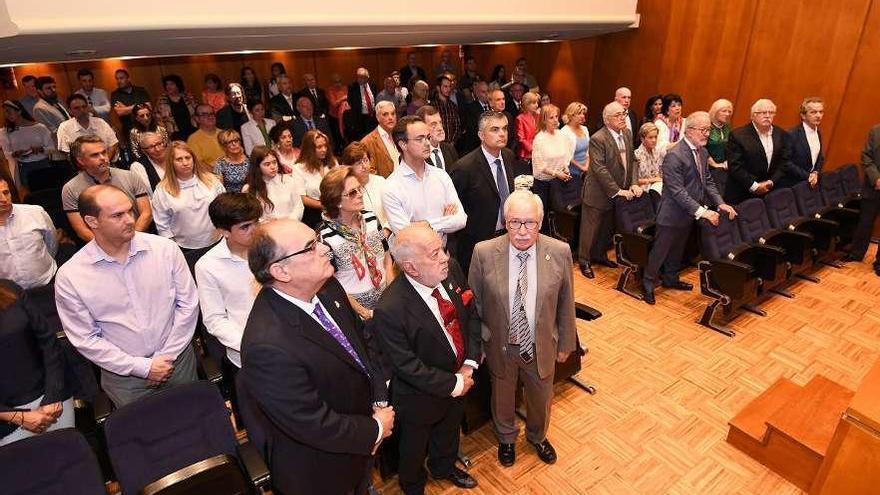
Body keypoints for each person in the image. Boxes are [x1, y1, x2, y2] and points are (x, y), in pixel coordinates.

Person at [241, 219, 393, 495]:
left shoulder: (328, 288)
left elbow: (363, 343)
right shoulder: (267, 346)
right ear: (280, 271)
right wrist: (374, 429)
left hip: (358, 447)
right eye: (310, 247)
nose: (325, 249)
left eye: (318, 240)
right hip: (321, 471)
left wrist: (379, 399)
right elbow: (312, 423)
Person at [55, 184, 199, 407]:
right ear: (92, 221)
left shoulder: (164, 250)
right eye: (117, 215)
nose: (130, 219)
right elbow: (85, 338)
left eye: (130, 211)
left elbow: (188, 304)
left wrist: (166, 357)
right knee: (144, 437)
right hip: (125, 378)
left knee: (195, 420)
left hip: (178, 363)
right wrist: (142, 368)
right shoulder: (71, 275)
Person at [468, 189, 576, 467]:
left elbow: (566, 302)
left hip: (540, 344)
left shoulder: (560, 252)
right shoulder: (483, 252)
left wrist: (566, 343)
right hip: (500, 345)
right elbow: (473, 305)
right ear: (505, 222)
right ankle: (506, 439)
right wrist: (478, 344)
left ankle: (538, 436)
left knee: (541, 398)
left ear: (540, 222)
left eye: (530, 223)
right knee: (502, 398)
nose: (522, 231)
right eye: (515, 222)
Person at [372, 224, 480, 494]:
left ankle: (444, 467)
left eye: (442, 248)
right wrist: (453, 383)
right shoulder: (390, 309)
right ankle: (413, 485)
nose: (445, 257)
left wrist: (470, 363)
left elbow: (471, 318)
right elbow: (407, 366)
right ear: (410, 267)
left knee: (449, 433)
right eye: (434, 254)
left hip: (460, 379)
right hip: (419, 398)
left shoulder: (451, 269)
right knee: (413, 450)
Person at [641, 112, 737, 304]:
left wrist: (720, 203)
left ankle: (670, 278)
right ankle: (648, 284)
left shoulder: (702, 152)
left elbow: (707, 181)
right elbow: (677, 192)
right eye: (703, 130)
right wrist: (703, 212)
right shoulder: (674, 155)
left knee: (677, 249)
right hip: (671, 214)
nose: (707, 134)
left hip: (689, 213)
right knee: (661, 250)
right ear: (690, 130)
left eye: (708, 130)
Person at [0, 279, 74, 447]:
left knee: (71, 461)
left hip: (53, 404)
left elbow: (48, 341)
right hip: (7, 423)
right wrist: (18, 417)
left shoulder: (9, 288)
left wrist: (53, 395)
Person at [451, 111, 527, 272]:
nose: (502, 134)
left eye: (505, 129)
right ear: (481, 135)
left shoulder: (508, 156)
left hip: (508, 236)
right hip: (476, 244)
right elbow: (455, 212)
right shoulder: (464, 168)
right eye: (495, 129)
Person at [194, 192, 263, 369]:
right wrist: (251, 345)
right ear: (224, 231)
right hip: (248, 353)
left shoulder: (272, 246)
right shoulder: (208, 266)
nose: (255, 230)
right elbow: (215, 319)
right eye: (245, 226)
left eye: (257, 222)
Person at [319, 166, 393, 318]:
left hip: (387, 302)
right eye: (353, 192)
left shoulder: (372, 219)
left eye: (360, 189)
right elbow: (331, 284)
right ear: (336, 200)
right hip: (355, 314)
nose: (360, 194)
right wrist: (363, 312)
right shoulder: (325, 237)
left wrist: (392, 293)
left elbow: (386, 257)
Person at [578, 101, 641, 279]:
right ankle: (584, 261)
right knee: (590, 229)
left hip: (620, 192)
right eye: (618, 115)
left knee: (606, 229)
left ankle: (599, 255)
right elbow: (599, 168)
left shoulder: (627, 133)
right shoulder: (598, 138)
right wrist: (616, 190)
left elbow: (633, 160)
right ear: (607, 120)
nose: (622, 118)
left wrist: (634, 183)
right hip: (598, 193)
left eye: (624, 114)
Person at [383, 116, 466, 246]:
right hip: (413, 263)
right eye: (419, 139)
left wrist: (425, 224)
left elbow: (461, 219)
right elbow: (405, 235)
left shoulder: (441, 175)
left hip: (444, 254)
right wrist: (444, 221)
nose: (427, 143)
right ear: (403, 144)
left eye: (427, 137)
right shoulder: (391, 186)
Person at [62, 136, 152, 243]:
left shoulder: (130, 176)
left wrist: (132, 239)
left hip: (138, 238)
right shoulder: (70, 189)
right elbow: (81, 230)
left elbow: (146, 213)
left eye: (104, 152)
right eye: (95, 155)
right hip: (102, 248)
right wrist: (109, 246)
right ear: (81, 160)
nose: (103, 158)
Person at [151, 141, 225, 252]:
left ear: (193, 159)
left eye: (188, 157)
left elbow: (225, 208)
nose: (185, 163)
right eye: (179, 159)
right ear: (171, 163)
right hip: (185, 248)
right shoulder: (162, 190)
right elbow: (162, 225)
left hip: (217, 242)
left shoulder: (211, 180)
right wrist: (173, 250)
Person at [725, 99, 793, 205]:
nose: (767, 116)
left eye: (771, 113)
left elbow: (784, 162)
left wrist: (771, 182)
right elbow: (735, 166)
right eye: (763, 113)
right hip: (741, 193)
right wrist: (755, 186)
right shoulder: (738, 135)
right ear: (753, 115)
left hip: (768, 192)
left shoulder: (781, 134)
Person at [0, 176, 58, 289]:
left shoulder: (35, 212)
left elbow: (52, 244)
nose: (3, 199)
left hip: (47, 283)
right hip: (11, 295)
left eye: (6, 192)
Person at [531, 103, 573, 230]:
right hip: (543, 184)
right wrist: (556, 173)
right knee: (542, 216)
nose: (555, 120)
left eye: (556, 116)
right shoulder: (539, 138)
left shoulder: (561, 135)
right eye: (551, 117)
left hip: (558, 183)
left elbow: (567, 155)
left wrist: (565, 167)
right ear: (544, 120)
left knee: (558, 216)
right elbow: (540, 166)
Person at [846, 123, 880, 274]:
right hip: (873, 186)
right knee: (865, 222)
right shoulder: (876, 130)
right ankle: (856, 253)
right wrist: (876, 178)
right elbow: (866, 156)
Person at [0, 100, 54, 190]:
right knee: (34, 193)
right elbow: (6, 153)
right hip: (24, 167)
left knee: (49, 190)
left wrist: (40, 149)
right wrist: (15, 154)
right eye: (5, 112)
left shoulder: (39, 127)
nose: (7, 114)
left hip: (43, 164)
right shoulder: (6, 131)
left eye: (9, 111)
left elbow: (51, 148)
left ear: (19, 111)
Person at [242, 146, 303, 222]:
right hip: (265, 229)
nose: (273, 167)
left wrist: (289, 220)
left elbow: (299, 206)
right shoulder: (248, 189)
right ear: (257, 167)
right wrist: (266, 222)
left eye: (274, 162)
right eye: (267, 164)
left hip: (290, 225)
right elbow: (249, 216)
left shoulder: (288, 180)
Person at [339, 141, 388, 227]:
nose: (364, 166)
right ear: (348, 167)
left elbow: (394, 210)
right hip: (364, 236)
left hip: (389, 232)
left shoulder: (381, 181)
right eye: (358, 163)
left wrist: (387, 230)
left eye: (365, 160)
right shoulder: (346, 191)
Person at [293, 129, 336, 228]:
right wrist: (324, 206)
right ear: (310, 149)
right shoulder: (299, 168)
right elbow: (302, 197)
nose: (324, 149)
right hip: (314, 215)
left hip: (336, 209)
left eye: (325, 146)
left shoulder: (332, 162)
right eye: (319, 147)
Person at [781, 97, 825, 189]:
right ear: (803, 115)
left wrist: (816, 172)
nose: (818, 115)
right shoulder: (791, 134)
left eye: (821, 112)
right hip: (791, 185)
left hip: (808, 185)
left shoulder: (818, 133)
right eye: (813, 112)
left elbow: (820, 157)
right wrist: (807, 176)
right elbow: (785, 162)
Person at [57, 94, 119, 158]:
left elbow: (113, 144)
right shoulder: (64, 127)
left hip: (107, 163)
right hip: (80, 167)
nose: (82, 110)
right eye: (77, 108)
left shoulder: (100, 122)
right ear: (70, 111)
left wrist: (104, 161)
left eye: (84, 107)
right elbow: (66, 153)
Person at [31, 76, 70, 163]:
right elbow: (52, 131)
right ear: (39, 91)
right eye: (48, 88)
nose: (53, 90)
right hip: (58, 153)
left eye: (54, 87)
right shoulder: (39, 108)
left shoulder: (56, 102)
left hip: (69, 147)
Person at [361, 100, 400, 178]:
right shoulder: (368, 141)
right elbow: (369, 172)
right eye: (385, 114)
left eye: (393, 114)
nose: (390, 117)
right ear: (378, 117)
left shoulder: (400, 135)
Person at [110, 69, 151, 141]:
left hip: (146, 127)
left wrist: (125, 108)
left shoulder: (140, 90)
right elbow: (119, 112)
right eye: (117, 79)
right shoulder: (115, 94)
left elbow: (148, 107)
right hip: (129, 130)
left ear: (128, 78)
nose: (119, 81)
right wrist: (139, 106)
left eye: (121, 78)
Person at [416, 105, 459, 173]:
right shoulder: (416, 155)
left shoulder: (450, 149)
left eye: (440, 122)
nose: (440, 128)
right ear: (422, 127)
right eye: (433, 125)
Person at [155, 74, 197, 141]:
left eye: (171, 84)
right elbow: (158, 118)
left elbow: (197, 112)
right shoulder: (162, 99)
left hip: (192, 129)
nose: (168, 86)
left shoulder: (188, 96)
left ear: (178, 85)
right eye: (167, 84)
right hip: (174, 133)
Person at [706, 99, 733, 196]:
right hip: (707, 167)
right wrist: (715, 164)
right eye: (724, 111)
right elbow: (701, 149)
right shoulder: (707, 125)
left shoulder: (727, 127)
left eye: (729, 111)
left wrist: (727, 161)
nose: (727, 114)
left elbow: (731, 147)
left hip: (723, 166)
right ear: (715, 111)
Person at [458, 80, 491, 153]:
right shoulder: (470, 108)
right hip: (477, 147)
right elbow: (472, 131)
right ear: (477, 93)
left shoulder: (492, 106)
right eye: (483, 92)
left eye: (488, 91)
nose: (487, 94)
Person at [347, 68, 379, 141]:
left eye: (362, 77)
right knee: (362, 137)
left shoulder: (372, 84)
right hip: (360, 116)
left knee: (373, 136)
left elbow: (375, 98)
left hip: (372, 115)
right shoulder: (352, 86)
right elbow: (350, 100)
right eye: (358, 76)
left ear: (367, 77)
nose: (359, 79)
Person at [560, 102, 590, 180]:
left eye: (583, 113)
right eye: (579, 113)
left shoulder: (584, 129)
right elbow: (566, 155)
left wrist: (586, 166)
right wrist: (582, 168)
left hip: (585, 170)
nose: (582, 116)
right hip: (571, 171)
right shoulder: (564, 131)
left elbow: (588, 150)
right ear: (571, 115)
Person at [634, 122, 666, 193]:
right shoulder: (636, 155)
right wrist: (653, 180)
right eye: (650, 137)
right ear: (642, 139)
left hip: (658, 188)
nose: (654, 140)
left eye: (655, 137)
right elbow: (634, 181)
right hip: (643, 191)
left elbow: (660, 173)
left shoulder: (657, 152)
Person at [433, 75, 461, 144]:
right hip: (437, 144)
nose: (448, 89)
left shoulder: (453, 106)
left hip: (452, 146)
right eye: (445, 86)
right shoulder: (432, 106)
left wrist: (452, 143)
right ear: (438, 88)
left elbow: (457, 127)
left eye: (450, 86)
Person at [515, 91, 540, 163]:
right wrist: (532, 149)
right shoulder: (520, 118)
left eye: (537, 103)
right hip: (526, 154)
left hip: (539, 152)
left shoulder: (538, 116)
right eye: (534, 103)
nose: (537, 105)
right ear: (526, 104)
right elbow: (521, 139)